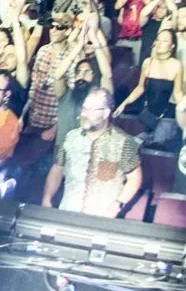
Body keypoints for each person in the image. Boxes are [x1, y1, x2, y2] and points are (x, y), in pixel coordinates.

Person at [43, 87, 140, 218]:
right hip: (68, 212)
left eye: (90, 110)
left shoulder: (123, 142)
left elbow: (135, 178)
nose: (84, 114)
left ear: (105, 113)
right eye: (84, 108)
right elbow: (57, 169)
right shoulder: (71, 137)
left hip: (101, 218)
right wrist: (47, 198)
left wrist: (117, 205)